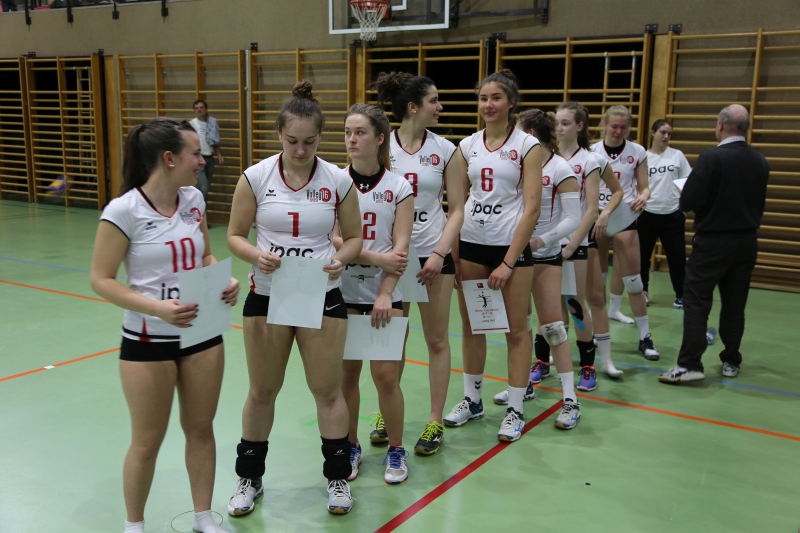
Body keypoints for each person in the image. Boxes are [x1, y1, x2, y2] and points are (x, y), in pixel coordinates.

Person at [89, 117, 239, 533]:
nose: (202, 160)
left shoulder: (193, 199)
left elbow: (204, 255)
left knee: (201, 429)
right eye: (195, 153)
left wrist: (221, 280)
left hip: (201, 332)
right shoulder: (124, 210)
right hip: (147, 339)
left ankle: (203, 517)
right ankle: (134, 525)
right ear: (169, 158)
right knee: (146, 441)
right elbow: (101, 279)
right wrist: (156, 309)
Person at [226, 81, 363, 515]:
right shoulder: (255, 177)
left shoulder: (338, 180)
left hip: (321, 295)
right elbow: (234, 235)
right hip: (268, 297)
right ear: (279, 135)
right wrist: (256, 255)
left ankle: (338, 479)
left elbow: (355, 238)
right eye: (291, 141)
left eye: (309, 141)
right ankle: (249, 478)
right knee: (262, 391)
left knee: (328, 391)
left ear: (321, 137)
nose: (300, 150)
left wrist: (340, 259)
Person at [443, 69, 543, 443]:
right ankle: (473, 400)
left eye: (496, 97)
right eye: (483, 98)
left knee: (516, 331)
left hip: (509, 248)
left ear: (511, 102)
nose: (488, 104)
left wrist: (508, 262)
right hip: (471, 244)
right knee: (473, 327)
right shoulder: (467, 145)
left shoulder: (527, 146)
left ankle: (515, 408)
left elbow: (532, 208)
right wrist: (454, 254)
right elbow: (457, 204)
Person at [372, 71, 465, 456]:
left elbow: (457, 208)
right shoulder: (383, 145)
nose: (440, 107)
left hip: (432, 254)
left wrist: (441, 254)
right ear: (413, 107)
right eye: (434, 101)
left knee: (436, 340)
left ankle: (434, 419)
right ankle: (386, 411)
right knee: (393, 339)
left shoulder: (446, 150)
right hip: (394, 256)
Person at [659, 105, 769, 383]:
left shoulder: (712, 157)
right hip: (746, 241)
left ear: (720, 125)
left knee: (696, 301)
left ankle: (690, 365)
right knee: (735, 303)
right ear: (746, 128)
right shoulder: (760, 160)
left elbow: (690, 201)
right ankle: (731, 360)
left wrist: (686, 193)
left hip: (713, 241)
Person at [338, 103, 415, 484]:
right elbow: (334, 238)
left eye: (360, 132)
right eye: (348, 132)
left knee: (386, 377)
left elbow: (401, 249)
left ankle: (396, 449)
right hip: (343, 293)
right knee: (346, 376)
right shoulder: (335, 181)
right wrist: (373, 257)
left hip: (384, 294)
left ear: (380, 138)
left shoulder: (399, 187)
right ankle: (350, 444)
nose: (352, 139)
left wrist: (385, 293)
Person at [526, 101, 625, 392]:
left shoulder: (588, 161)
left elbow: (591, 209)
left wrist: (571, 246)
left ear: (579, 126)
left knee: (574, 304)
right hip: (544, 244)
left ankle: (588, 365)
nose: (559, 127)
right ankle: (542, 361)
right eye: (557, 122)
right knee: (547, 307)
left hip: (573, 243)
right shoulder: (542, 158)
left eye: (566, 122)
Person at [492, 109, 581, 428]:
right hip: (514, 255)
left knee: (553, 326)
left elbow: (573, 218)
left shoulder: (560, 168)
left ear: (530, 133)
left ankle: (570, 400)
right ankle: (522, 385)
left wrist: (540, 241)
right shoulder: (516, 166)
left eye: (516, 130)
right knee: (518, 325)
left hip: (543, 256)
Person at [590, 105, 660, 361]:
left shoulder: (637, 151)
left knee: (634, 280)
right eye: (614, 126)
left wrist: (644, 196)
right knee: (597, 281)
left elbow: (644, 187)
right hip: (597, 216)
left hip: (624, 216)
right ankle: (598, 332)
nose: (618, 131)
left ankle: (645, 337)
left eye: (623, 127)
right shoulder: (592, 151)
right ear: (605, 125)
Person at [638, 119, 691, 308]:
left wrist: (684, 206)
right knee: (642, 257)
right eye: (662, 132)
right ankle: (643, 292)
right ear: (653, 133)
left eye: (669, 133)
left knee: (677, 258)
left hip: (672, 215)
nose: (666, 136)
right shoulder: (643, 157)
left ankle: (681, 295)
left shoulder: (677, 155)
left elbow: (686, 181)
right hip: (647, 214)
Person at [190, 100, 224, 206]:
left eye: (201, 107)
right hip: (198, 159)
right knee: (203, 188)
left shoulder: (212, 123)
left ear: (206, 109)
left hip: (209, 157)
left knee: (206, 188)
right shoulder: (192, 124)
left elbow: (215, 140)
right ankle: (199, 212)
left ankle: (202, 211)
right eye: (196, 108)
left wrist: (219, 155)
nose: (199, 110)